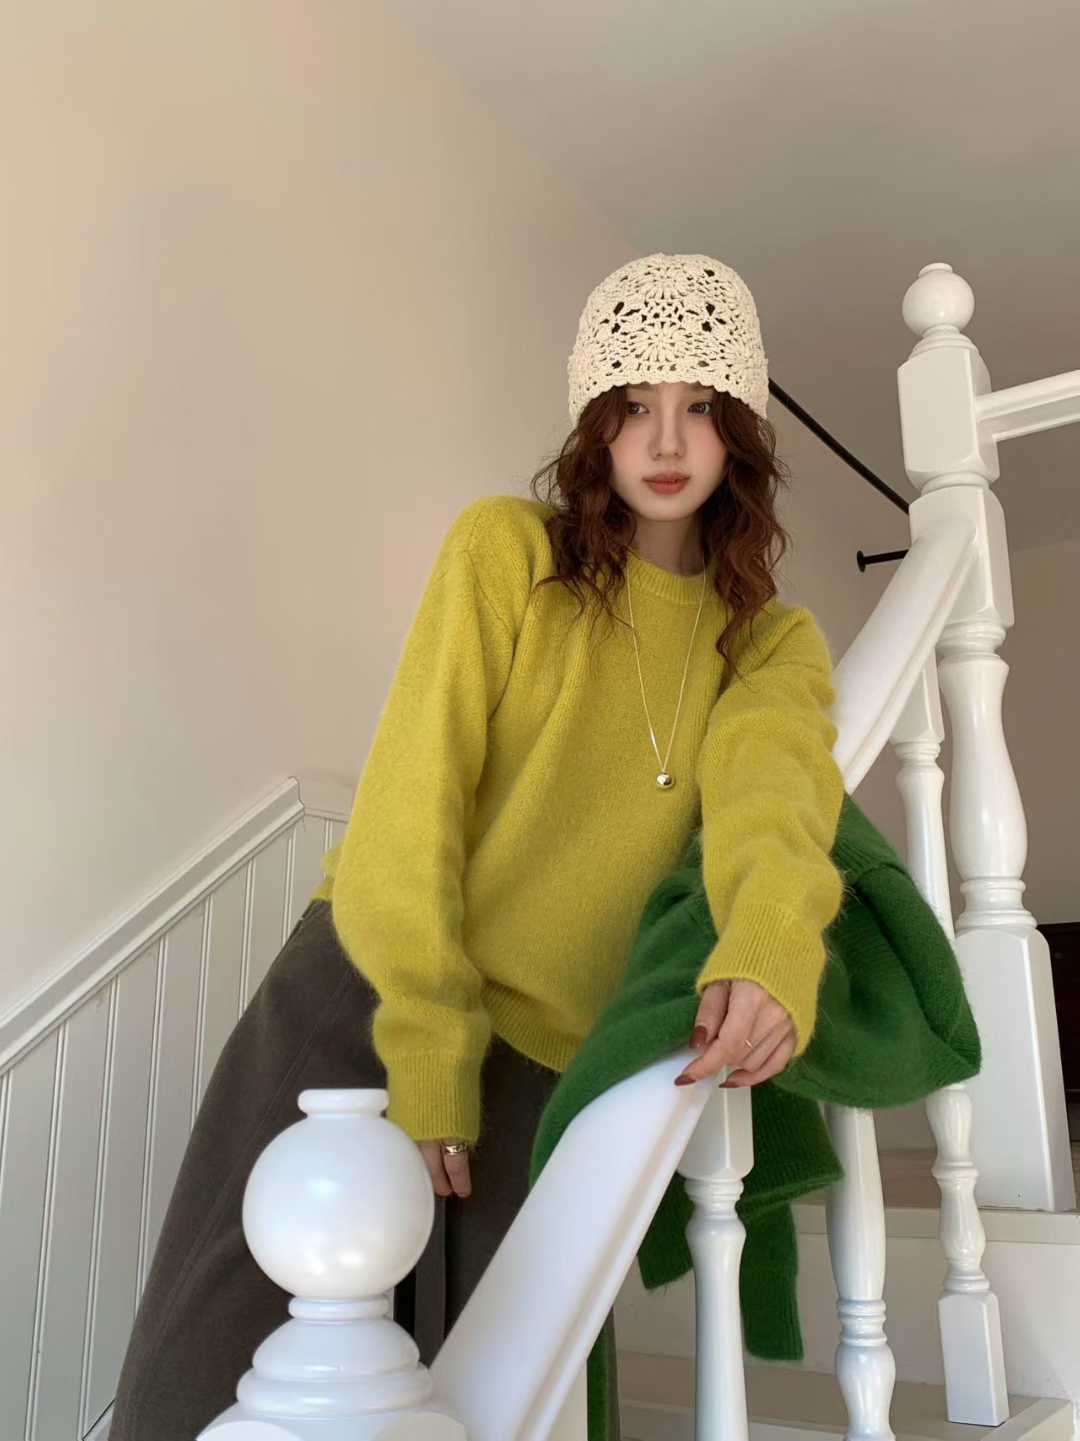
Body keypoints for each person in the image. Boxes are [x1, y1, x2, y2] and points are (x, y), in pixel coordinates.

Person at [108, 252, 846, 1440]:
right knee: (203, 1375)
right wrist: (429, 1048)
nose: (666, 439)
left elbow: (779, 800)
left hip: (544, 1070)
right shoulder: (510, 553)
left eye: (700, 406)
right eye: (634, 405)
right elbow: (412, 807)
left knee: (476, 1404)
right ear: (595, 424)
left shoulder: (767, 642)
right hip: (371, 998)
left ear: (740, 434)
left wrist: (768, 948)